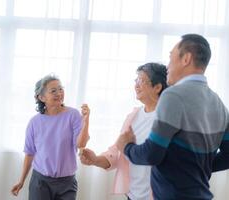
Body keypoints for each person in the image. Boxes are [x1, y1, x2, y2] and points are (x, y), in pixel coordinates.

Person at [116, 34, 229, 200]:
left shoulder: (172, 96)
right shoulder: (219, 104)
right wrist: (196, 170)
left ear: (186, 59)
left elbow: (151, 154)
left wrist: (126, 147)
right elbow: (227, 157)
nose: (167, 66)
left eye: (171, 57)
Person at [80, 63, 167, 200]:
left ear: (157, 87)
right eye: (136, 80)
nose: (136, 85)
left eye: (141, 80)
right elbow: (117, 151)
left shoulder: (168, 119)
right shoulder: (133, 116)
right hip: (132, 195)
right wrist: (95, 160)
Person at [11, 74, 90, 200]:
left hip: (67, 183)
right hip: (40, 182)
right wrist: (21, 181)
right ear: (41, 97)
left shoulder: (73, 115)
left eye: (61, 89)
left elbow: (81, 144)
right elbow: (29, 153)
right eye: (53, 91)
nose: (59, 93)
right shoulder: (34, 122)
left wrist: (85, 122)